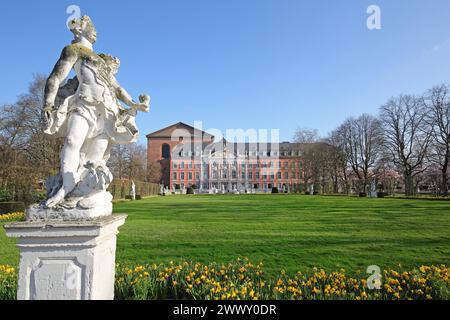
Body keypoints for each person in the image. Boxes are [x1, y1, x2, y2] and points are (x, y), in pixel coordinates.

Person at [42, 16, 149, 208]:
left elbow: (117, 88)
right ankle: (65, 187)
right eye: (92, 27)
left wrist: (134, 103)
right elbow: (55, 78)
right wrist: (48, 104)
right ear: (80, 29)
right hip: (84, 103)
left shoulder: (101, 60)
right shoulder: (73, 50)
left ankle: (85, 193)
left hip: (107, 112)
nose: (95, 32)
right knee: (73, 141)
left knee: (95, 158)